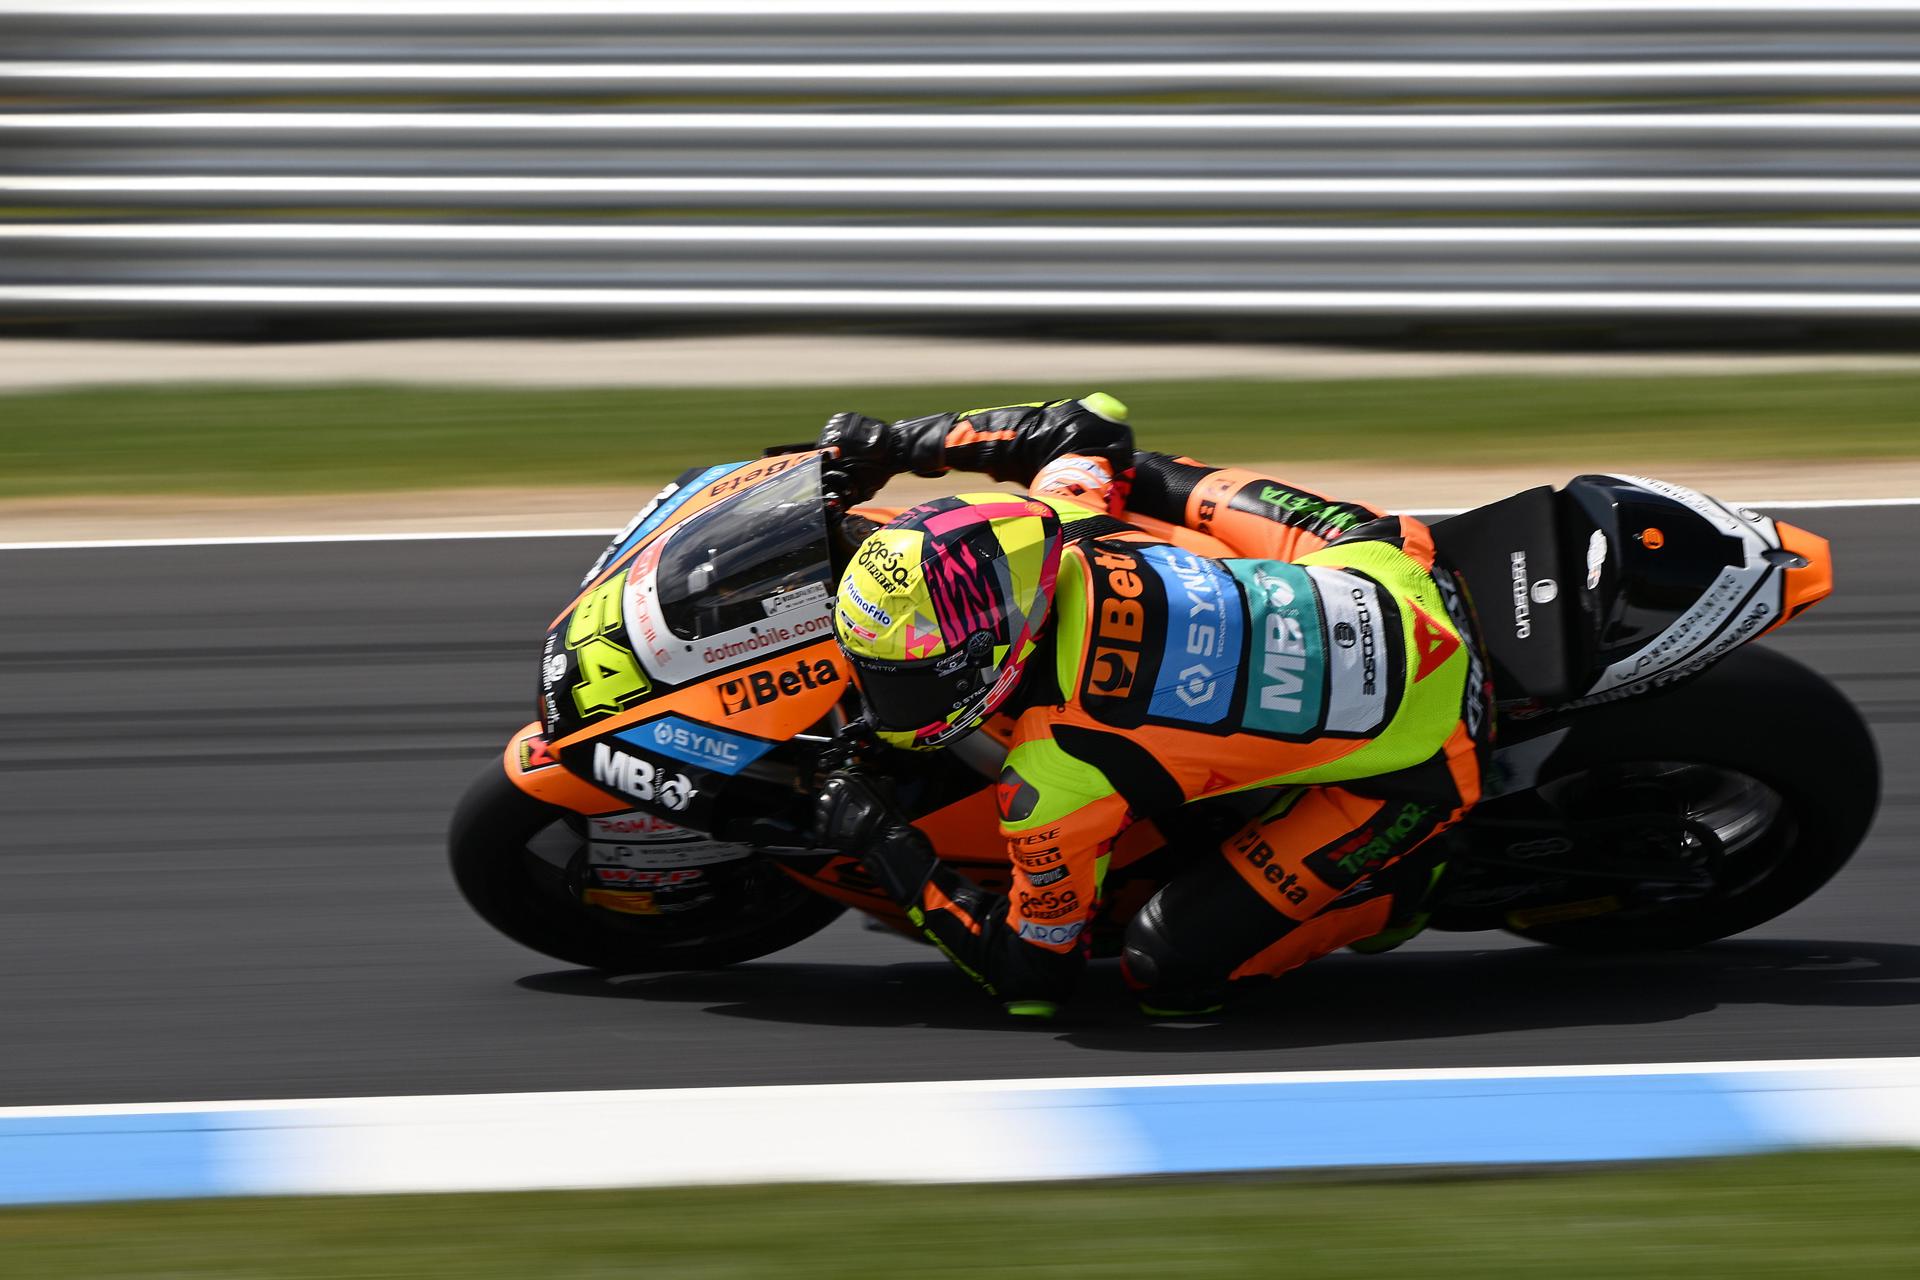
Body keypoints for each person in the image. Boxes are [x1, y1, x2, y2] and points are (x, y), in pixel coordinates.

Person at [811, 395, 1492, 1018]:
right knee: (1137, 474)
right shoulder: (1067, 526)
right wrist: (898, 444)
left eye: (906, 680)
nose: (889, 701)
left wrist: (882, 843)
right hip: (1391, 562)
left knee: (1165, 972)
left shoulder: (1058, 774)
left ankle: (1400, 891)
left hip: (1426, 759)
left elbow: (1032, 973)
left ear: (997, 648)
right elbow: (1085, 424)